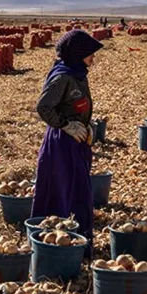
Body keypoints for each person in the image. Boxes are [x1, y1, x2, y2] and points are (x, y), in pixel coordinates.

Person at [33, 30, 103, 256]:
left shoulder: (77, 73)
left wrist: (86, 124)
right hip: (63, 142)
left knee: (77, 190)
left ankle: (75, 241)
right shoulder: (63, 76)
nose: (93, 57)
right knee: (67, 190)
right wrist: (66, 125)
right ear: (77, 54)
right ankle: (59, 243)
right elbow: (44, 107)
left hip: (76, 141)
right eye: (89, 53)